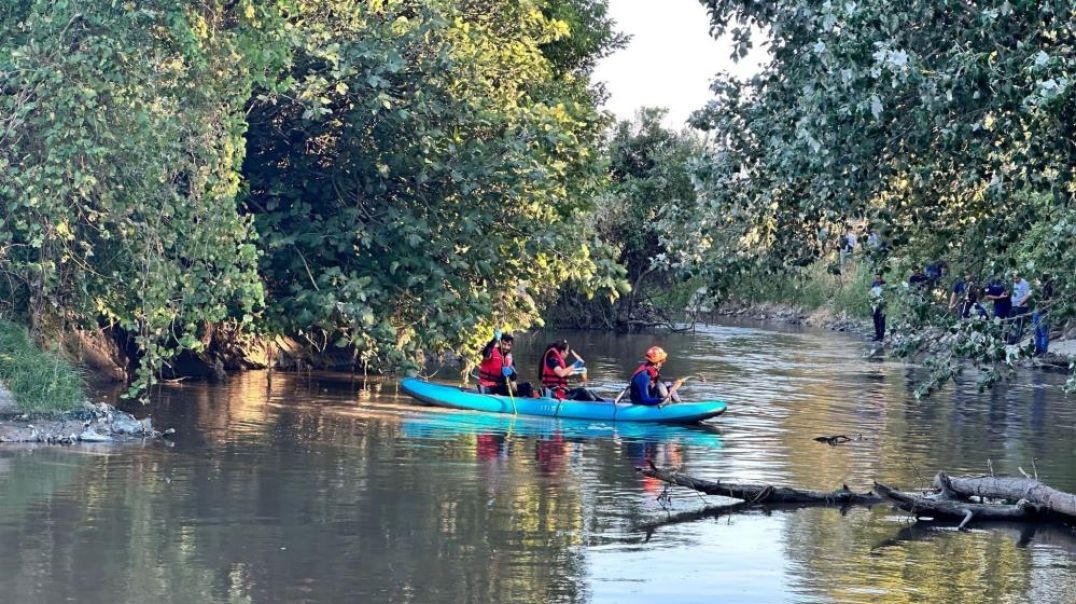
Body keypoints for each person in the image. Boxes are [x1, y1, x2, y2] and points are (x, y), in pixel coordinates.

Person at [538, 340, 602, 401]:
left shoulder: (555, 361)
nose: (568, 353)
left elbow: (566, 373)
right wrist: (576, 364)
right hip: (554, 394)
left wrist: (578, 370)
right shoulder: (552, 360)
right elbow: (561, 373)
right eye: (567, 351)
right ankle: (601, 407)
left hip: (560, 392)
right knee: (582, 391)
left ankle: (603, 404)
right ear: (562, 352)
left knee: (590, 392)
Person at [477, 331, 534, 397]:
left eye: (509, 345)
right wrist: (494, 339)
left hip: (500, 388)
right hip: (487, 387)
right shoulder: (491, 352)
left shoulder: (509, 358)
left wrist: (511, 372)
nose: (506, 347)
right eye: (504, 344)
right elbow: (486, 353)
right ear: (500, 343)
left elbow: (514, 377)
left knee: (527, 386)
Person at [869, 273, 886, 342]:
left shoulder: (884, 283)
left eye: (878, 276)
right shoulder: (874, 283)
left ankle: (881, 336)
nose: (877, 277)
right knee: (875, 319)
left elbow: (886, 294)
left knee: (882, 320)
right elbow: (871, 294)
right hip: (874, 303)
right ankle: (877, 335)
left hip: (882, 303)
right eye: (876, 276)